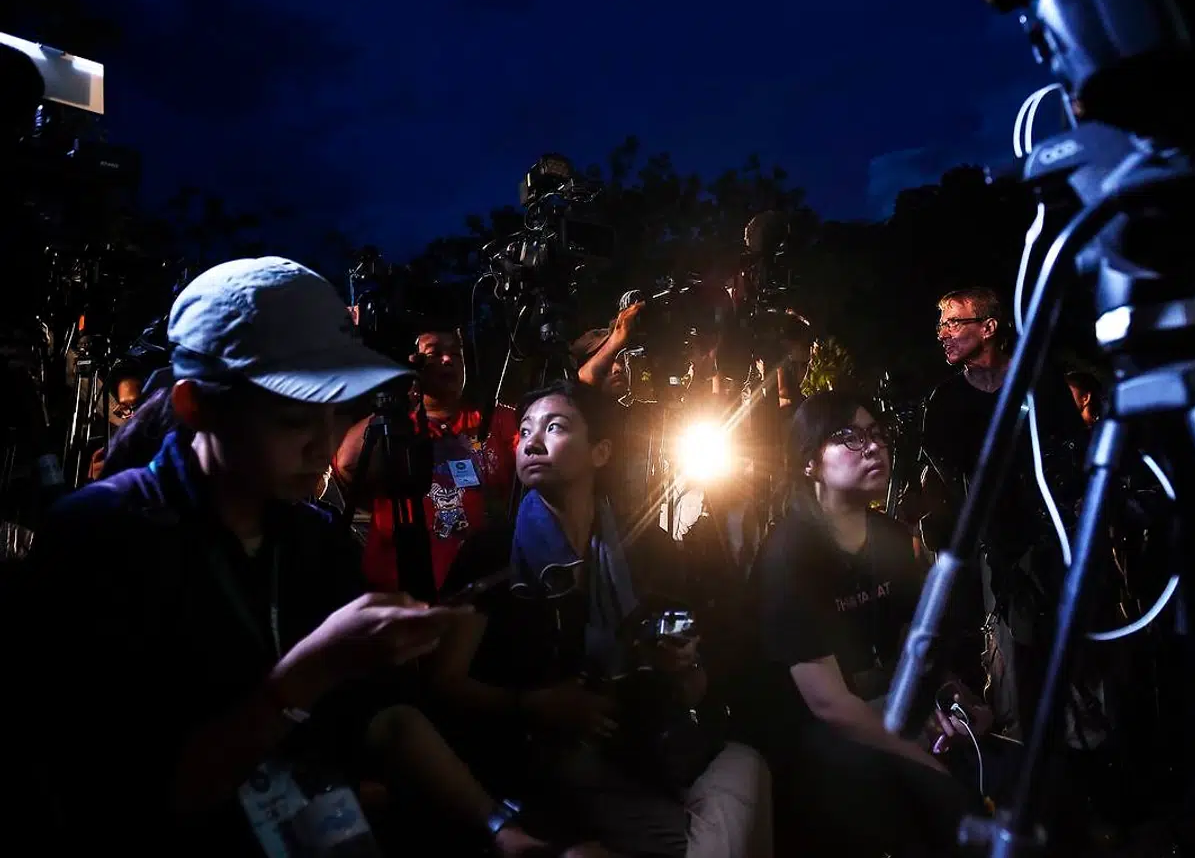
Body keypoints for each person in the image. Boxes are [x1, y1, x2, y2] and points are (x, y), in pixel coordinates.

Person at [18, 257, 575, 856]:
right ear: (195, 406)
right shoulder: (102, 536)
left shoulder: (316, 539)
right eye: (291, 418)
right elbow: (116, 795)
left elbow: (382, 719)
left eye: (334, 411)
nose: (323, 442)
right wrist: (310, 672)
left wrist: (501, 831)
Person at [491, 378, 772, 858]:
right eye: (525, 430)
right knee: (716, 834)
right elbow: (446, 686)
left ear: (601, 452)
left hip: (647, 745)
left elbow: (691, 679)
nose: (531, 443)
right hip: (558, 758)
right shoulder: (497, 551)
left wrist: (678, 660)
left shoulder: (641, 546)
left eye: (554, 427)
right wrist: (536, 704)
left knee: (748, 765)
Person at [748, 390, 985, 857]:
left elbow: (914, 646)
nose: (873, 447)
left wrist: (952, 695)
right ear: (809, 463)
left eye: (876, 434)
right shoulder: (790, 554)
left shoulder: (890, 539)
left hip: (878, 705)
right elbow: (829, 705)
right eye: (849, 437)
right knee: (927, 796)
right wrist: (923, 762)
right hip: (812, 730)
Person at [923, 286, 1087, 737]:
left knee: (1078, 647)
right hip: (996, 547)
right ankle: (1018, 749)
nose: (942, 334)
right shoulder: (945, 402)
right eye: (941, 325)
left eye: (953, 323)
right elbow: (946, 481)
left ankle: (1089, 747)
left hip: (1059, 535)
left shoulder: (1040, 381)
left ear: (989, 327)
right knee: (1012, 658)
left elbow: (1075, 449)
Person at [335, 323, 519, 593]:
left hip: (480, 591)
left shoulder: (494, 419)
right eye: (434, 354)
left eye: (456, 354)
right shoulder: (394, 427)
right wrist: (398, 399)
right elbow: (348, 463)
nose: (448, 360)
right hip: (399, 595)